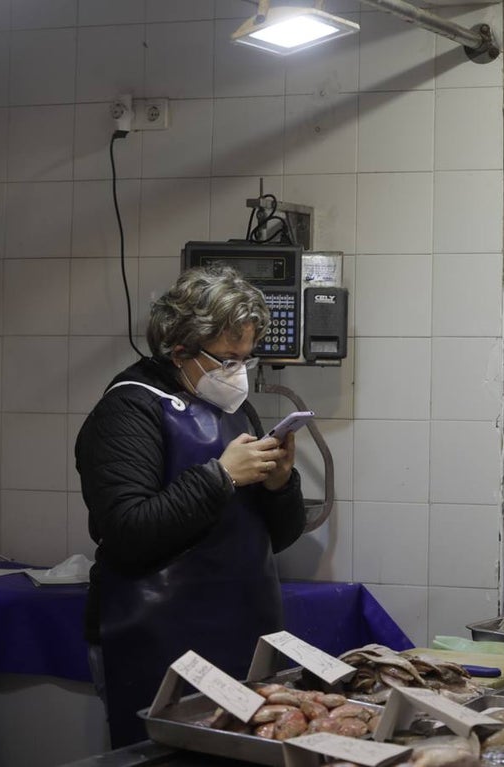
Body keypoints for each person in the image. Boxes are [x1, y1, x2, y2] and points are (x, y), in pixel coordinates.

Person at [75, 265, 306, 746]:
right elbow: (128, 530)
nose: (237, 372)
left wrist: (279, 485)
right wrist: (221, 475)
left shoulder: (232, 406)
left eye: (246, 357)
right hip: (156, 637)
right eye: (226, 358)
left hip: (244, 629)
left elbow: (274, 537)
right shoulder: (129, 408)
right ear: (179, 349)